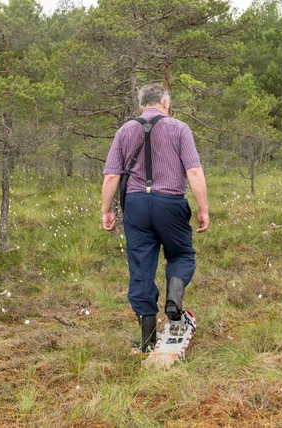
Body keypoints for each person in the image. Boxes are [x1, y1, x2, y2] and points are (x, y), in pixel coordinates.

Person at [101, 83, 209, 353]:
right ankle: (173, 301)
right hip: (170, 203)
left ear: (141, 105)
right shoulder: (179, 128)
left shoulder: (124, 130)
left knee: (140, 268)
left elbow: (112, 175)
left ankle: (147, 340)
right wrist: (203, 209)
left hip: (135, 206)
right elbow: (194, 172)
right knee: (182, 254)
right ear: (164, 102)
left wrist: (106, 211)